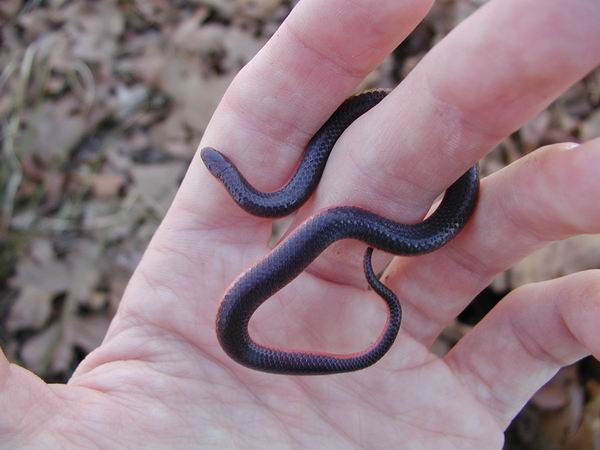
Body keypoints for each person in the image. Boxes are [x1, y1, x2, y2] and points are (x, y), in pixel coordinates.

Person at [2, 0, 600, 448]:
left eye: (219, 169)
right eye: (221, 170)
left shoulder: (302, 199)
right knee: (326, 216)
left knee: (327, 213)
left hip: (400, 220)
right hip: (329, 254)